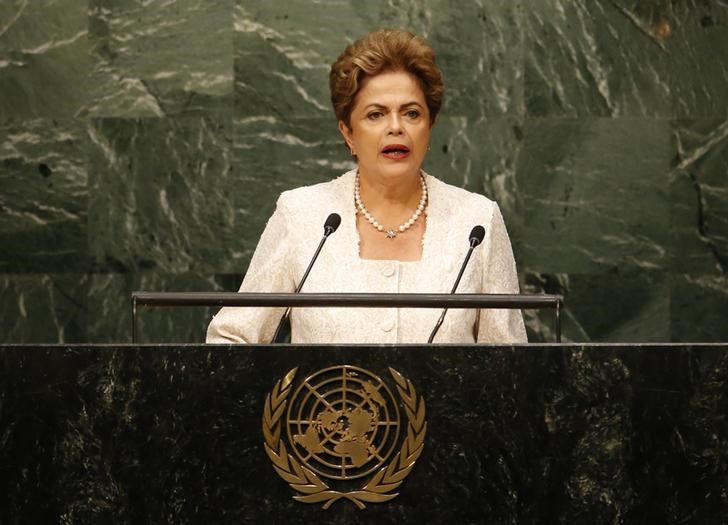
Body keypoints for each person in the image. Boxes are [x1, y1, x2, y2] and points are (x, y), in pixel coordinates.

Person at [206, 29, 527, 344]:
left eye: (412, 113)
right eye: (376, 114)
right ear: (348, 133)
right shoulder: (302, 215)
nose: (396, 127)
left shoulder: (477, 221)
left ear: (430, 125)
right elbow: (231, 338)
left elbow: (511, 364)